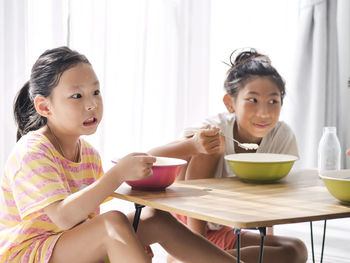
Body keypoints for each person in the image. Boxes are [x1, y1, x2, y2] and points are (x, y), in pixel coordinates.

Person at [0, 47, 237, 263]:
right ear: (44, 107)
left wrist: (126, 244)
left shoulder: (88, 154)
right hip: (30, 255)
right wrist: (118, 174)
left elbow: (87, 219)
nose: (92, 104)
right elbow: (63, 217)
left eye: (96, 92)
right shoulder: (32, 151)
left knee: (156, 218)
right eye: (77, 96)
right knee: (112, 223)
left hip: (67, 245)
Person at [149, 48, 308, 263]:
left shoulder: (282, 136)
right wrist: (193, 144)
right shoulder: (214, 129)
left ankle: (196, 260)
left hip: (222, 228)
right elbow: (151, 158)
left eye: (273, 101)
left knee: (296, 250)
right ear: (230, 103)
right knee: (213, 147)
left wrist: (267, 243)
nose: (264, 112)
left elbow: (273, 197)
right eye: (253, 100)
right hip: (188, 225)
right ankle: (192, 256)